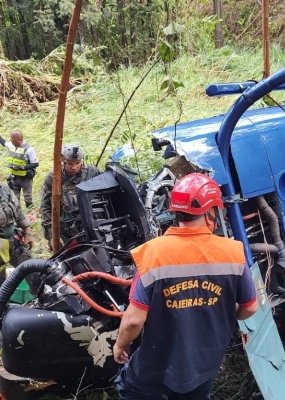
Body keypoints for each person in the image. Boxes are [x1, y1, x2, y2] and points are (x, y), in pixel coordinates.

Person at [113, 173, 258, 400]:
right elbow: (250, 308)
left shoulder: (153, 253)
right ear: (211, 213)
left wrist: (120, 346)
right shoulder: (233, 253)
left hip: (155, 368)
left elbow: (133, 321)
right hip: (203, 366)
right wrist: (221, 311)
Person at [40, 144, 101, 248]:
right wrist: (53, 235)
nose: (74, 167)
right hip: (64, 229)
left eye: (77, 163)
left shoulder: (92, 172)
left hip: (89, 225)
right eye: (70, 164)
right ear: (63, 162)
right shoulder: (53, 177)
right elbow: (46, 207)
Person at [0, 181, 33, 282]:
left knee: (31, 270)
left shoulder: (4, 188)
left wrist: (27, 232)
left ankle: (39, 294)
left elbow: (18, 211)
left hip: (12, 240)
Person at [0, 130, 39, 209]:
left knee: (28, 198)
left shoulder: (29, 149)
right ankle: (18, 214)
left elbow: (35, 163)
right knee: (14, 199)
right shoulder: (11, 145)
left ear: (18, 139)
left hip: (26, 178)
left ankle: (30, 213)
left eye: (12, 138)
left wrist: (22, 167)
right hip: (14, 178)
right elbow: (3, 142)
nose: (10, 140)